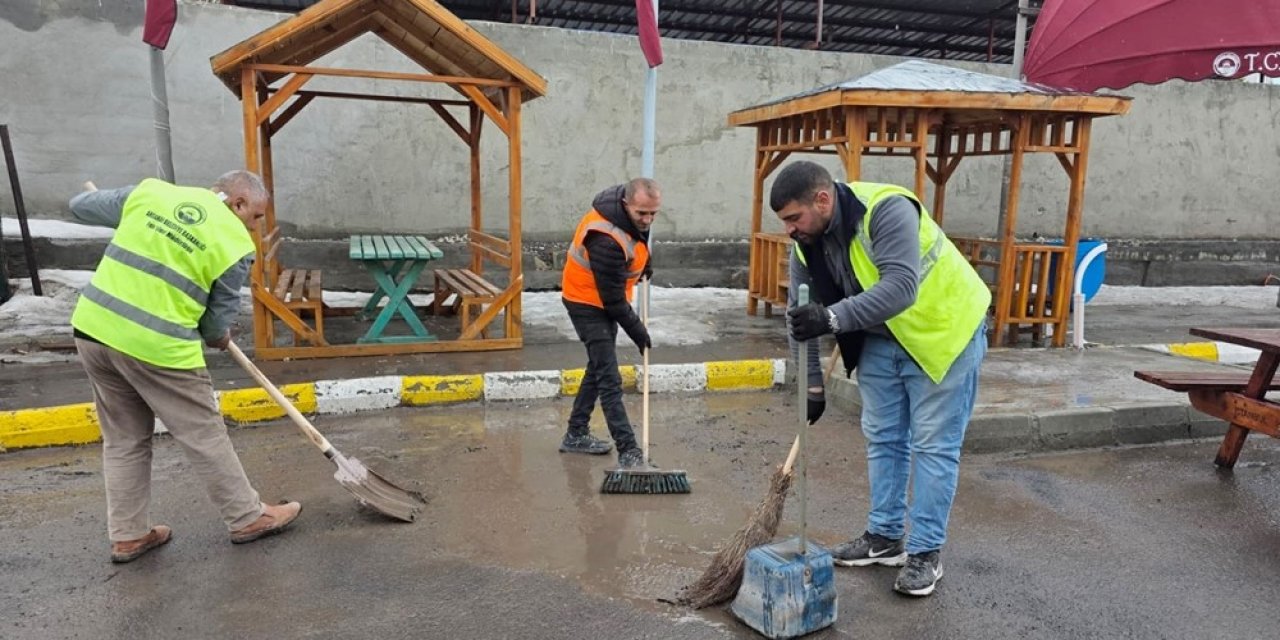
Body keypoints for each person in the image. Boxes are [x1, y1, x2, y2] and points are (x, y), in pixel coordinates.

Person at [773, 160, 988, 597]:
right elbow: (801, 322)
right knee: (883, 437)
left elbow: (901, 287)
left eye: (794, 218)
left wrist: (831, 317)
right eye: (784, 222)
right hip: (880, 340)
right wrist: (812, 386)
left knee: (932, 445)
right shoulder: (805, 246)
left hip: (944, 331)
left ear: (823, 199)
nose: (790, 230)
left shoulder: (886, 209)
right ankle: (885, 536)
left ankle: (926, 553)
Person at [69, 171, 302, 563]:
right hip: (157, 346)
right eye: (257, 216)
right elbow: (213, 326)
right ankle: (247, 517)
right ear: (238, 202)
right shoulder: (233, 244)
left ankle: (129, 535)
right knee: (204, 434)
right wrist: (218, 334)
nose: (256, 225)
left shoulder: (151, 194)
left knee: (125, 439)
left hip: (94, 330)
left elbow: (80, 206)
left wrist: (136, 217)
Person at [558, 178, 659, 468]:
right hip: (586, 301)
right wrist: (638, 330)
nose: (648, 219)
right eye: (642, 213)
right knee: (609, 376)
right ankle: (628, 451)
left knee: (599, 365)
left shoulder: (630, 216)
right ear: (626, 205)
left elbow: (636, 243)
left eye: (653, 213)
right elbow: (613, 302)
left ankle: (576, 432)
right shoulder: (604, 238)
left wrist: (644, 264)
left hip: (603, 298)